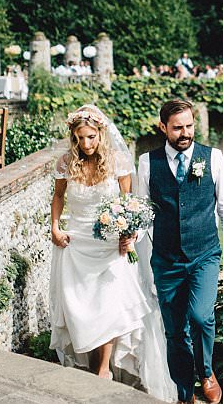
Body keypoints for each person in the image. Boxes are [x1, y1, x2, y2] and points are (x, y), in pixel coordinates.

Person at [49, 105, 175, 401]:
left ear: (101, 134)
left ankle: (103, 369)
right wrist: (54, 227)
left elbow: (129, 204)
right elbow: (58, 196)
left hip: (110, 246)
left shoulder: (118, 161)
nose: (86, 144)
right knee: (82, 309)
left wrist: (128, 234)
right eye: (80, 138)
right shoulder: (66, 162)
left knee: (109, 306)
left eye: (91, 137)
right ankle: (95, 363)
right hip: (77, 243)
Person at [136, 98, 223, 404]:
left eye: (189, 126)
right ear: (163, 127)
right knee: (175, 332)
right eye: (177, 128)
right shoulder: (148, 163)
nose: (185, 133)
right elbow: (143, 213)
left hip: (204, 254)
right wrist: (130, 236)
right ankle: (184, 394)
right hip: (166, 260)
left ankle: (206, 373)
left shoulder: (213, 157)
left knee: (200, 317)